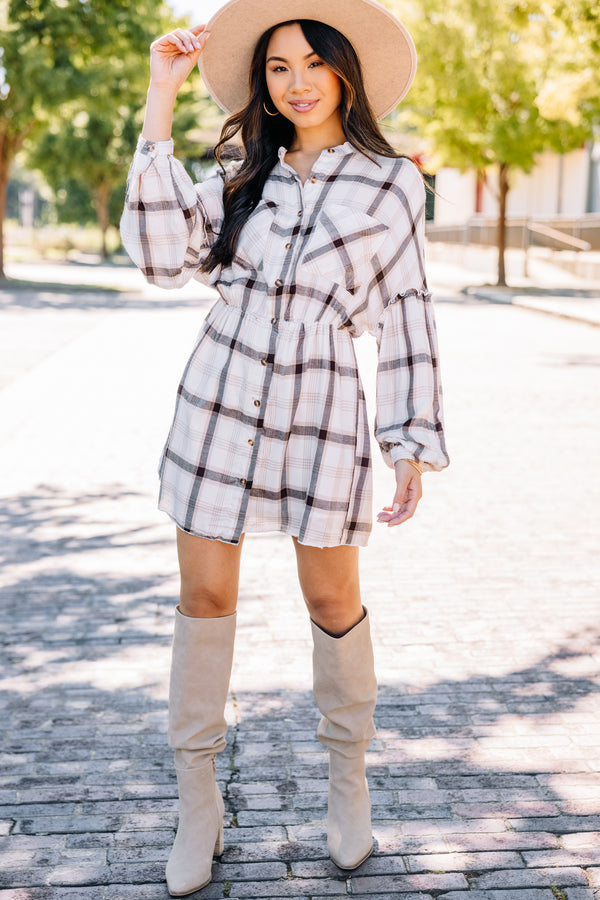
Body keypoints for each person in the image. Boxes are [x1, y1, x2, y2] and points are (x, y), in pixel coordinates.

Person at [121, 0, 449, 894]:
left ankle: (349, 787)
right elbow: (157, 258)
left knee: (333, 592)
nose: (296, 82)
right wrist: (162, 97)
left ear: (346, 70)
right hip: (221, 393)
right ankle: (199, 807)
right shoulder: (241, 167)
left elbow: (407, 312)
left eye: (312, 63)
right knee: (204, 591)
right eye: (276, 68)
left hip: (322, 398)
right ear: (262, 83)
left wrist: (410, 438)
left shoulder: (391, 183)